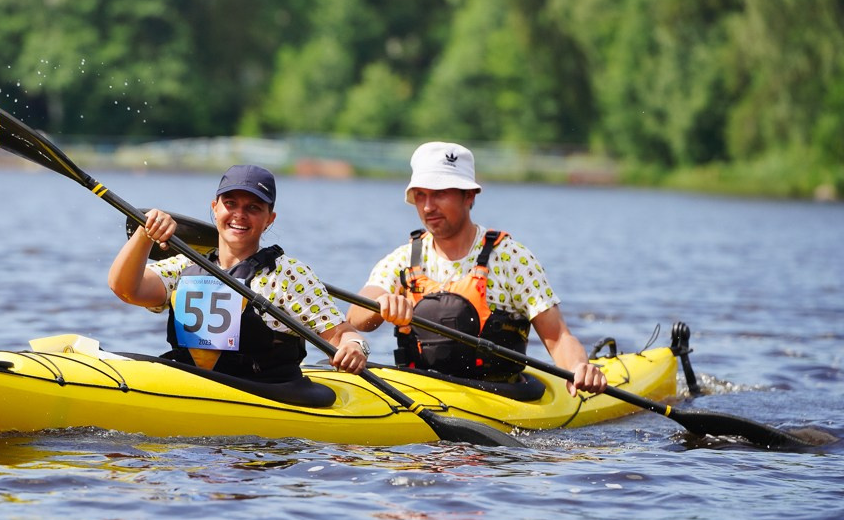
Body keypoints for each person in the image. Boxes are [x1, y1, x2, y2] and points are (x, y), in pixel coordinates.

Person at [346, 142, 607, 396]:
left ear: (468, 195)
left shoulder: (512, 259)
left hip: (500, 395)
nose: (428, 207)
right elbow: (355, 317)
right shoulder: (403, 259)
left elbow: (558, 336)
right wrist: (381, 303)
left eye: (439, 194)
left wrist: (577, 368)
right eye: (420, 196)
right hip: (421, 393)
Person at [108, 164, 370, 383]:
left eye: (253, 208)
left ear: (270, 219)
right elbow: (126, 289)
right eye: (230, 204)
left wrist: (354, 347)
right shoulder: (184, 265)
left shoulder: (290, 275)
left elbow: (341, 334)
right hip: (192, 386)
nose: (239, 215)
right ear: (215, 208)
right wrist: (145, 234)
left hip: (265, 395)